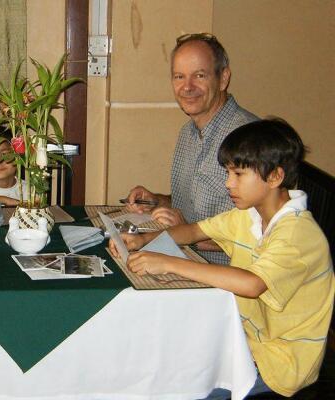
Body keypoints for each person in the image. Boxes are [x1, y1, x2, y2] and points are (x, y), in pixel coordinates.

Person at [110, 119, 335, 398]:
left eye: (238, 174)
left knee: (178, 386)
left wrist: (168, 262)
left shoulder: (298, 234)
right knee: (159, 352)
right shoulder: (249, 214)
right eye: (228, 172)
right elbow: (194, 230)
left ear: (275, 177)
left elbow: (253, 284)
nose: (228, 183)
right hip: (243, 339)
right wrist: (143, 240)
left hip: (280, 365)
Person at [125, 33, 258, 264]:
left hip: (226, 278)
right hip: (185, 260)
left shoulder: (250, 139)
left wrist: (186, 234)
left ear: (223, 78)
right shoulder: (188, 132)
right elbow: (192, 204)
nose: (187, 87)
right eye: (179, 76)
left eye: (199, 75)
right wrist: (155, 201)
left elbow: (259, 236)